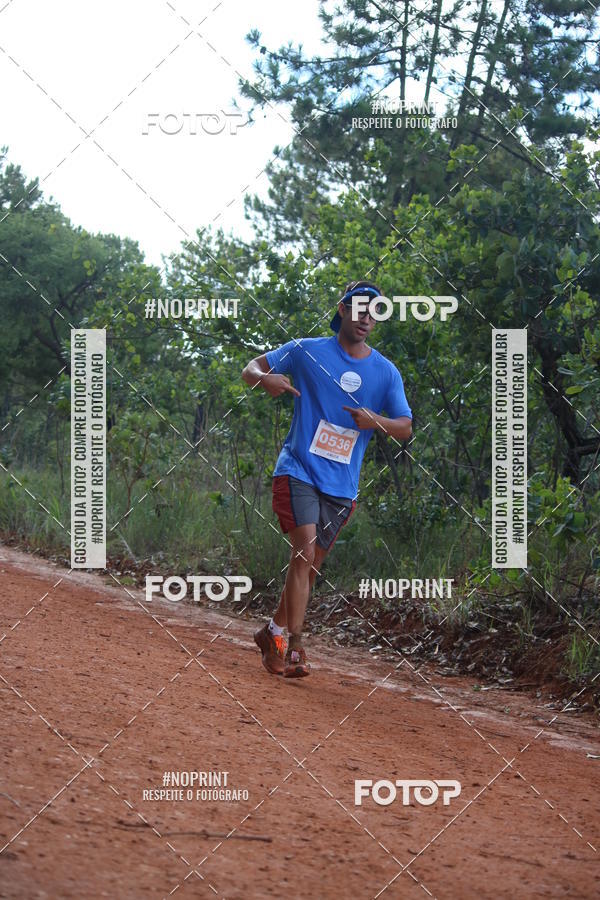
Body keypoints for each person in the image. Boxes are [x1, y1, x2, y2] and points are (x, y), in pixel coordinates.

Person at [241, 280, 413, 678]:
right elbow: (251, 368)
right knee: (303, 555)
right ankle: (294, 646)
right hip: (299, 468)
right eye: (358, 309)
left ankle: (272, 635)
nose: (366, 318)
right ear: (342, 308)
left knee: (308, 567)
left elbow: (405, 426)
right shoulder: (307, 351)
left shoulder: (385, 373)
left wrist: (377, 421)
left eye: (373, 313)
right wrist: (265, 379)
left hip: (342, 485)